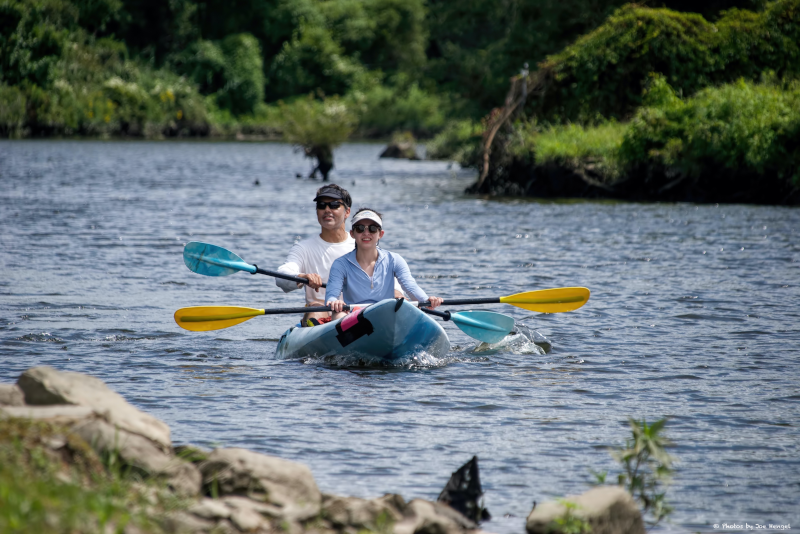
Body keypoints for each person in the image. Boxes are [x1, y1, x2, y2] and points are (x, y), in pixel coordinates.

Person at [276, 185, 403, 325]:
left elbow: (388, 275)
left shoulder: (363, 244)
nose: (327, 210)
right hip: (321, 314)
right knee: (316, 308)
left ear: (347, 212)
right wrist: (302, 277)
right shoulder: (303, 248)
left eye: (334, 205)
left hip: (358, 312)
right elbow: (281, 277)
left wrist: (396, 291)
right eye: (321, 205)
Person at [326, 208, 443, 319]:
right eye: (360, 228)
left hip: (386, 315)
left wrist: (427, 300)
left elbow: (411, 287)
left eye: (372, 228)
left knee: (406, 307)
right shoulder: (340, 264)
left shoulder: (394, 259)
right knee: (337, 314)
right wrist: (335, 302)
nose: (366, 233)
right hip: (354, 319)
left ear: (380, 234)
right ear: (352, 233)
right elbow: (331, 295)